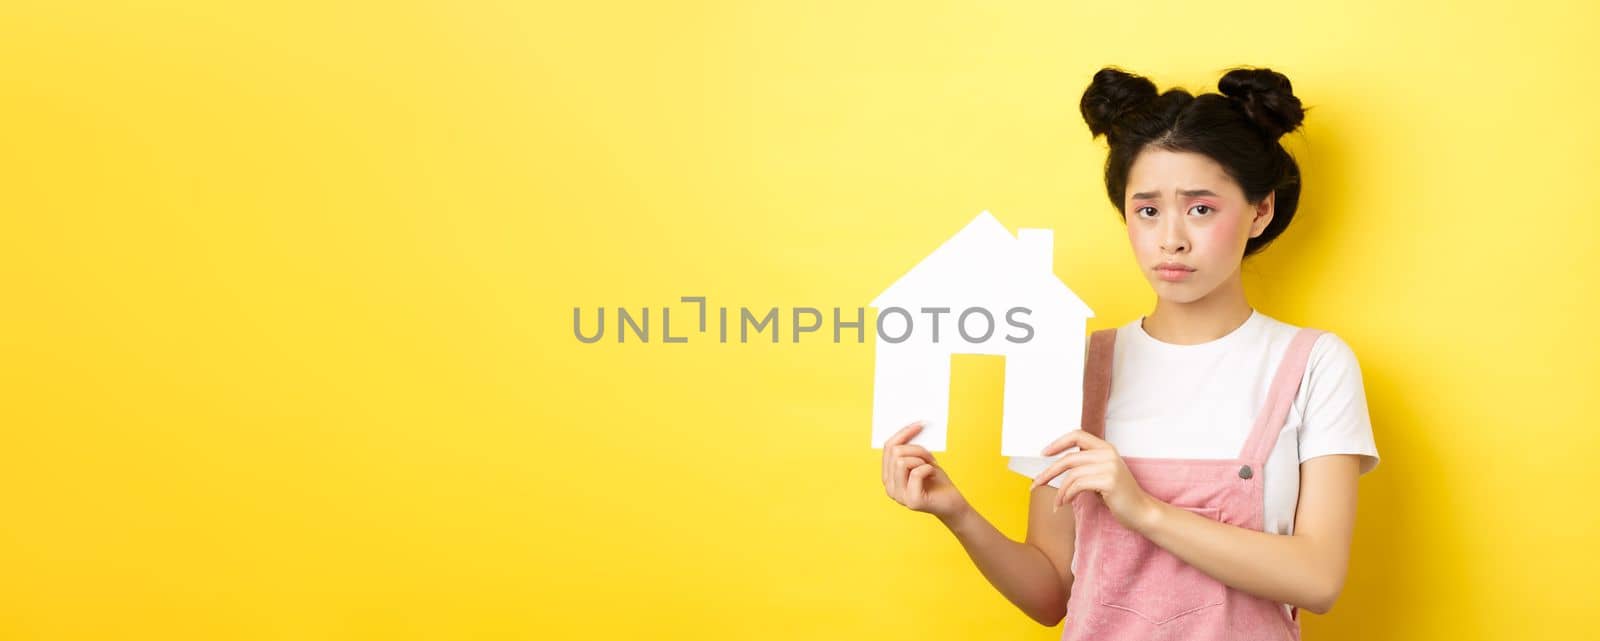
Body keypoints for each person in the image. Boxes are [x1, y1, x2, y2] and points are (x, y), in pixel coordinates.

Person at [878, 66, 1380, 640]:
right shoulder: (1072, 363)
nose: (1171, 238)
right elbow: (1050, 596)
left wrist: (1142, 508)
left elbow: (1318, 580)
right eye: (1147, 210)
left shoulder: (1314, 364)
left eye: (1201, 209)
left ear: (1260, 211)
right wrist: (956, 514)